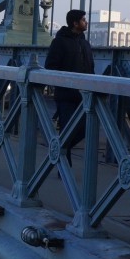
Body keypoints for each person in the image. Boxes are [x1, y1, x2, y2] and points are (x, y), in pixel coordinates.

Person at [45, 9, 94, 164]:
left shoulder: (85, 43)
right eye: (83, 19)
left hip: (83, 95)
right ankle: (65, 168)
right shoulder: (59, 42)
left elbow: (90, 68)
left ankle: (59, 150)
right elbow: (50, 66)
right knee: (67, 130)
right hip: (66, 95)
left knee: (85, 129)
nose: (86, 22)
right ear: (75, 23)